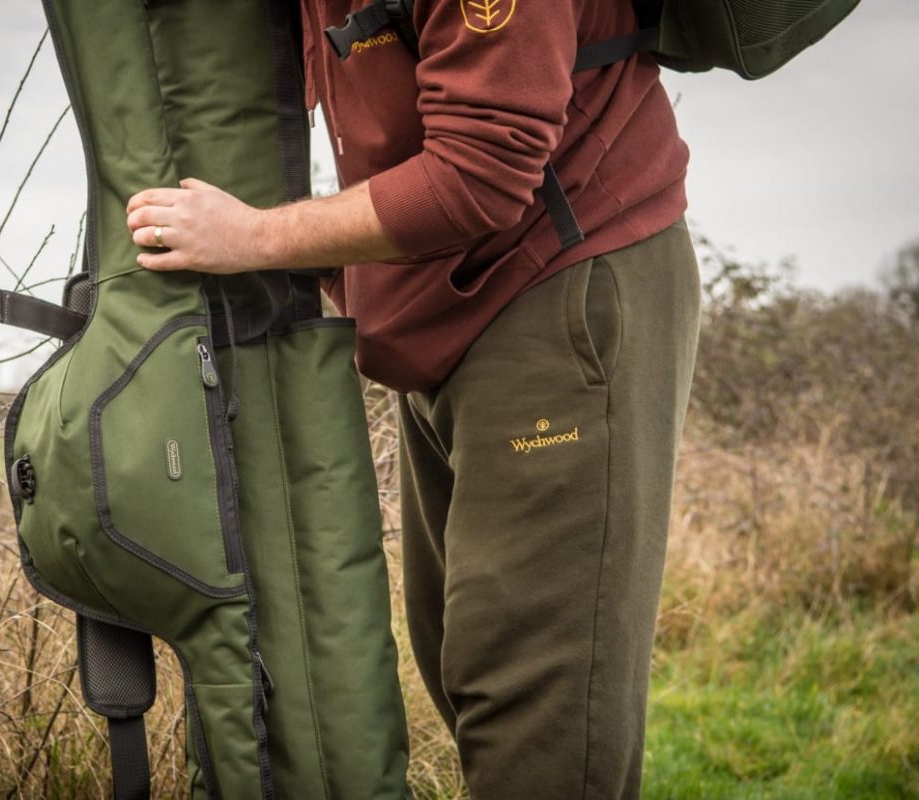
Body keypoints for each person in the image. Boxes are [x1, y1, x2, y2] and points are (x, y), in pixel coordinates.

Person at [124, 0, 700, 796]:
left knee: (534, 695)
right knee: (454, 651)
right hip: (440, 310)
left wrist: (253, 238)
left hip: (556, 287)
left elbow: (483, 171)